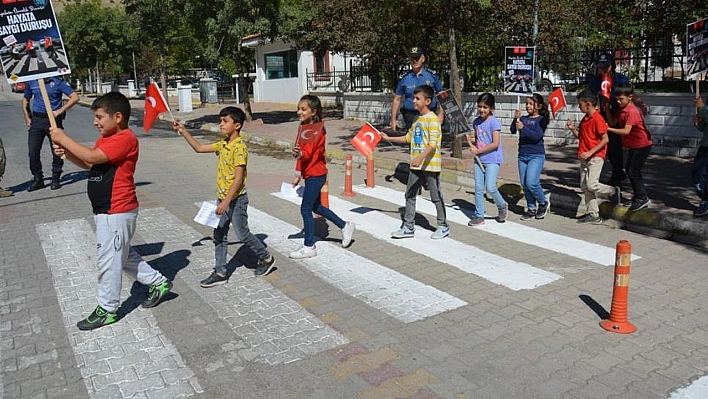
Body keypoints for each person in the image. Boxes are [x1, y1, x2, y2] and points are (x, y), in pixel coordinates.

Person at [48, 92, 172, 330]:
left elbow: (92, 156)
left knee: (109, 261)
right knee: (122, 256)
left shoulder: (124, 139)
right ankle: (159, 283)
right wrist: (68, 153)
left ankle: (107, 309)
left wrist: (64, 138)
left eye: (99, 117)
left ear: (117, 117)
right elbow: (89, 163)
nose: (95, 122)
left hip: (117, 210)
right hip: (106, 210)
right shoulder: (106, 138)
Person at [173, 107, 277, 282]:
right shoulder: (223, 144)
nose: (221, 124)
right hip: (223, 199)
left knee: (243, 234)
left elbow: (238, 179)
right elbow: (198, 148)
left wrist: (225, 202)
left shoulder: (239, 148)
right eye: (220, 121)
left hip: (236, 200)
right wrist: (184, 131)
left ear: (237, 125)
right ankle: (220, 271)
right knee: (220, 235)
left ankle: (266, 257)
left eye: (225, 121)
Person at [289, 95, 356, 258]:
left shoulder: (315, 130)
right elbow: (301, 152)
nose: (299, 112)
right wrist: (298, 173)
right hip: (309, 173)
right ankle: (345, 225)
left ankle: (309, 246)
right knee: (316, 207)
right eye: (298, 108)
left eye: (303, 109)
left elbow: (307, 153)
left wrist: (299, 155)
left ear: (314, 111)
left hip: (316, 174)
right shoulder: (303, 126)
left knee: (305, 208)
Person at [381, 85, 450, 239]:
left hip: (430, 166)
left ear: (427, 101)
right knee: (410, 194)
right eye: (414, 98)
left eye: (417, 98)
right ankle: (408, 226)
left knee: (435, 195)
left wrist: (420, 157)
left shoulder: (433, 120)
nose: (413, 101)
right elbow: (408, 138)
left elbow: (433, 144)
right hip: (415, 165)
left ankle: (443, 225)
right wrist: (389, 138)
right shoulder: (416, 119)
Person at [566, 88, 619, 225]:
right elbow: (581, 137)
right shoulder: (585, 119)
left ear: (588, 104)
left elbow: (605, 139)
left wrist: (590, 152)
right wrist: (572, 129)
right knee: (584, 186)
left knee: (592, 184)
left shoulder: (597, 119)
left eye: (580, 104)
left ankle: (612, 191)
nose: (579, 106)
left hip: (595, 157)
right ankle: (593, 214)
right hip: (584, 157)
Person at [22, 76, 79, 191]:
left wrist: (60, 111)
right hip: (37, 120)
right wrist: (27, 118)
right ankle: (38, 178)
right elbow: (25, 100)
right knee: (33, 151)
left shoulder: (57, 82)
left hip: (53, 120)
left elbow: (75, 97)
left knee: (57, 150)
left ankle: (56, 177)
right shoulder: (32, 81)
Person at [606, 83, 652, 211]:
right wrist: (607, 109)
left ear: (630, 97)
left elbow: (626, 131)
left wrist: (608, 129)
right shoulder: (622, 109)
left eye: (621, 99)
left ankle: (642, 197)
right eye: (617, 99)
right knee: (630, 170)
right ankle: (638, 196)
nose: (619, 101)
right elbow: (613, 122)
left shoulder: (632, 111)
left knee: (633, 171)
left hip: (642, 144)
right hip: (634, 145)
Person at [465, 93, 508, 227]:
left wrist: (478, 150)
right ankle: (479, 215)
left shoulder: (494, 122)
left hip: (492, 159)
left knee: (490, 187)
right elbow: (479, 140)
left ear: (491, 108)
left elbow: (495, 143)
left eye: (485, 107)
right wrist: (470, 140)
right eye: (480, 107)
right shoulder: (476, 122)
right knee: (478, 188)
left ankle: (502, 205)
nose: (482, 110)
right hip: (479, 159)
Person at [588, 51, 630, 189]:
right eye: (601, 67)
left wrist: (640, 105)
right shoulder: (595, 81)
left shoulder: (620, 79)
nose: (603, 69)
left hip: (616, 113)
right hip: (601, 113)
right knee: (602, 145)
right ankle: (613, 172)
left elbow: (629, 94)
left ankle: (618, 173)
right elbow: (592, 98)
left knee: (614, 146)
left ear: (612, 66)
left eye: (606, 66)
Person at [510, 93, 550, 221]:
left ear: (538, 106)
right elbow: (512, 130)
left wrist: (523, 128)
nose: (527, 106)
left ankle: (543, 202)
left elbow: (537, 136)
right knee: (524, 184)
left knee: (531, 182)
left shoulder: (541, 119)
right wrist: (515, 119)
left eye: (530, 104)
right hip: (522, 155)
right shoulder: (523, 118)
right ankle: (531, 208)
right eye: (526, 103)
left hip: (536, 155)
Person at [389, 46, 444, 132]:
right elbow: (397, 99)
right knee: (413, 142)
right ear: (409, 60)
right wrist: (393, 120)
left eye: (417, 58)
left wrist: (441, 115)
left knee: (429, 142)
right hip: (410, 116)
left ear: (423, 59)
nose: (415, 61)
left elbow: (442, 95)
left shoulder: (432, 76)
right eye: (412, 58)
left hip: (429, 115)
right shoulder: (404, 78)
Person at [691, 95, 708, 217]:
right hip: (705, 145)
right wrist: (698, 122)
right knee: (698, 172)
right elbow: (704, 127)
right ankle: (705, 199)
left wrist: (703, 108)